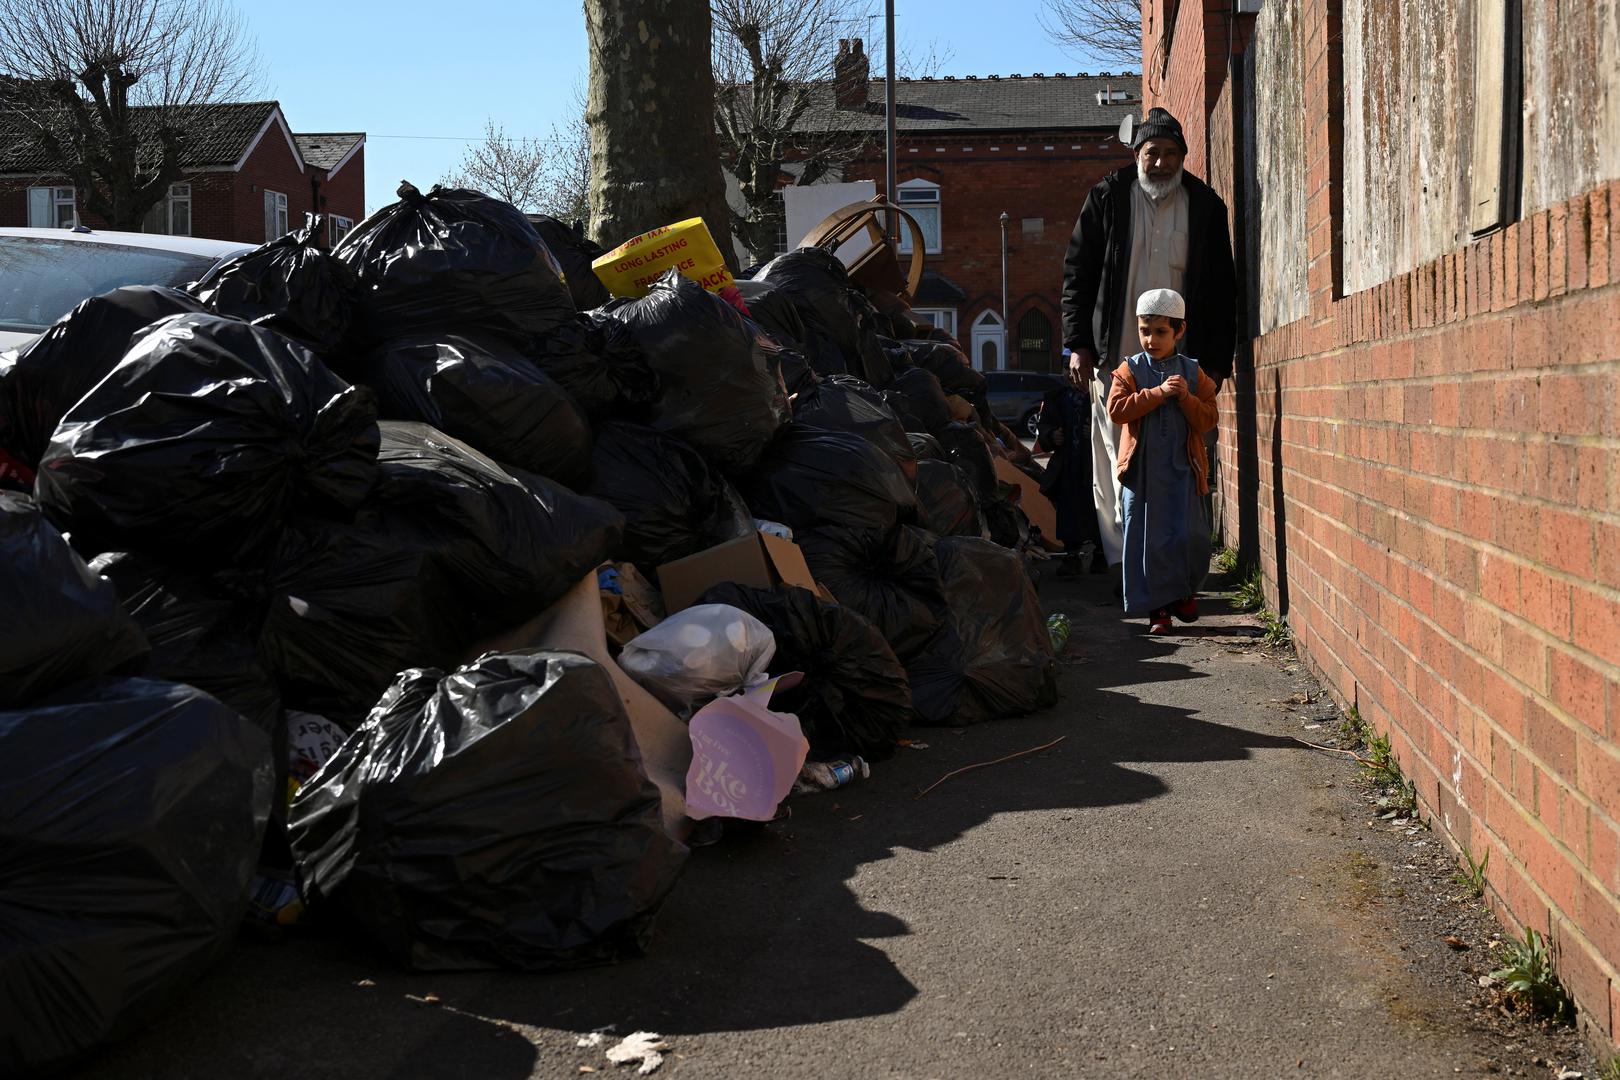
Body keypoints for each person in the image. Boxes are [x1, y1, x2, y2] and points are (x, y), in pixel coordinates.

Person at [1059, 107, 1237, 578]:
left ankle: (1174, 564)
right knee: (1117, 460)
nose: (1160, 163)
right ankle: (1127, 565)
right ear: (1137, 154)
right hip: (1117, 360)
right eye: (1151, 152)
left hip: (1183, 367)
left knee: (1181, 458)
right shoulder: (1108, 198)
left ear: (1183, 157)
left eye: (1170, 154)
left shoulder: (1204, 207)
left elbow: (1223, 290)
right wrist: (1078, 343)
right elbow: (1078, 274)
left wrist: (1216, 366)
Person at [1107, 289, 1219, 634]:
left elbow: (1208, 419)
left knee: (1189, 536)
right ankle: (1159, 611)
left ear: (1179, 331)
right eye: (1144, 331)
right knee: (1148, 541)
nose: (1151, 340)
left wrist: (1184, 397)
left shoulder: (1193, 373)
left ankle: (1183, 594)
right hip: (1143, 476)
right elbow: (1116, 410)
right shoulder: (1129, 370)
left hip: (1183, 471)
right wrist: (1156, 394)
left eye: (1160, 332)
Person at [1036, 354, 1106, 576]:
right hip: (1067, 464)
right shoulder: (1057, 397)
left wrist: (1097, 433)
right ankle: (1071, 557)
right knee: (1068, 511)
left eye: (1075, 368)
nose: (1071, 374)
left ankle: (1102, 555)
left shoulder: (1100, 396)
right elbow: (1043, 427)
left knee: (1098, 511)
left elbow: (1114, 426)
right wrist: (1051, 435)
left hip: (1094, 465)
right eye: (1066, 369)